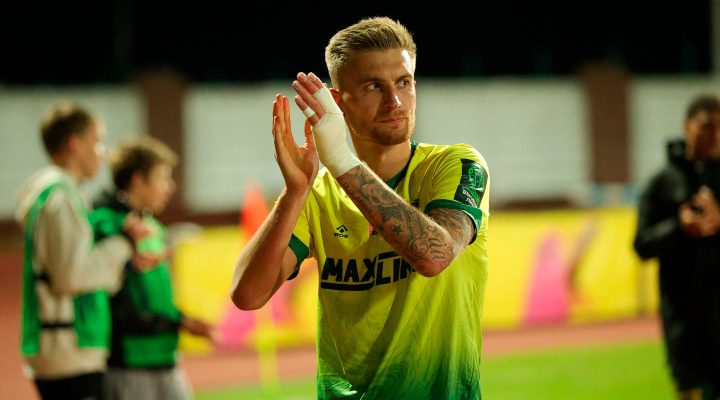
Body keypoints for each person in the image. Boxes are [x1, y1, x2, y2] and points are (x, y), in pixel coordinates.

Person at [231, 17, 490, 399]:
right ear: (337, 103)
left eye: (404, 82)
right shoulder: (319, 195)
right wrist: (294, 193)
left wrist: (339, 159)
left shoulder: (455, 164)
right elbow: (248, 295)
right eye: (373, 86)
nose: (394, 101)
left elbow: (434, 255)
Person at [15, 102, 151, 400]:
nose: (104, 152)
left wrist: (124, 262)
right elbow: (71, 276)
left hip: (66, 345)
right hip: (68, 346)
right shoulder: (61, 197)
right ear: (74, 144)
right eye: (98, 141)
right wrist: (123, 243)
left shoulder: (58, 194)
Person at [90, 137, 216, 400]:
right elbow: (120, 307)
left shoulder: (154, 229)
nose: (170, 187)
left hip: (167, 360)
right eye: (162, 178)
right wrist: (180, 323)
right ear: (138, 180)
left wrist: (181, 320)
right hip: (128, 366)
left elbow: (155, 301)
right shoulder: (107, 224)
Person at [634, 94, 720, 400]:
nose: (715, 135)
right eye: (707, 126)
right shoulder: (661, 183)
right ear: (687, 127)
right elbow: (641, 245)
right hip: (682, 318)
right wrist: (679, 227)